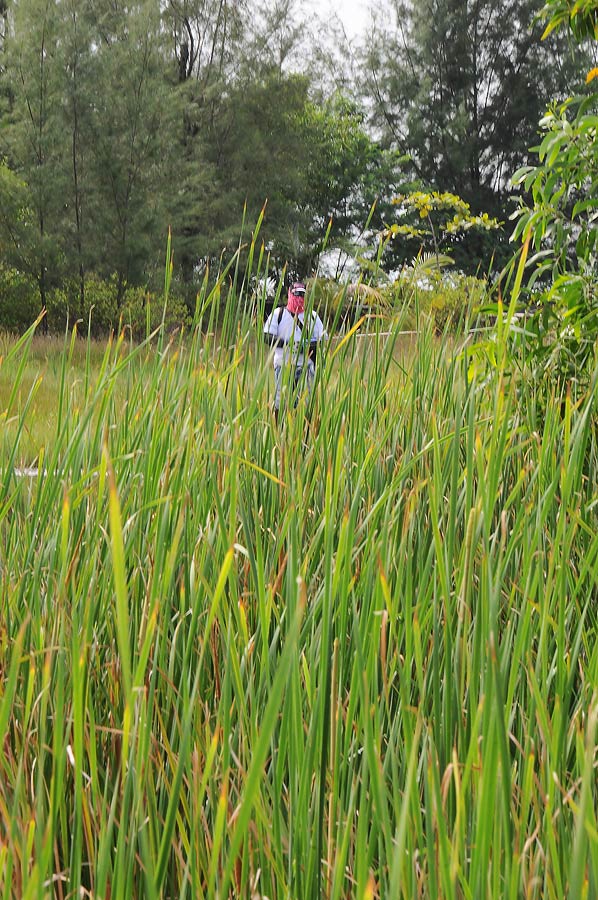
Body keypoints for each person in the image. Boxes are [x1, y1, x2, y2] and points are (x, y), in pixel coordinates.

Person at [263, 281, 327, 419]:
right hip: (283, 365)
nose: (299, 298)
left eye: (302, 295)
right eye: (296, 294)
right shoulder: (278, 314)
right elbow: (266, 336)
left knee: (306, 402)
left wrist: (309, 345)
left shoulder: (312, 316)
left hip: (306, 366)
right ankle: (278, 431)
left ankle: (305, 432)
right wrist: (288, 344)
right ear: (289, 294)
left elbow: (322, 339)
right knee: (280, 401)